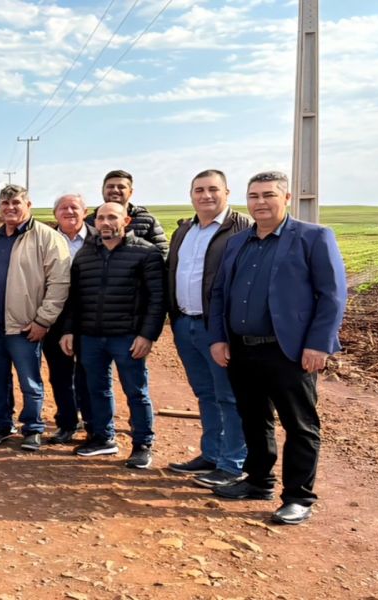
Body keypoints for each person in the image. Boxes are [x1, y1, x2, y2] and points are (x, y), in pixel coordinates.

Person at [208, 171, 347, 526]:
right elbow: (221, 292)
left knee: (299, 425)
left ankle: (299, 497)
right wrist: (219, 337)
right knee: (254, 419)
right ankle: (258, 481)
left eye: (268, 195)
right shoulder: (238, 242)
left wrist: (319, 344)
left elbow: (332, 295)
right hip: (243, 349)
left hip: (290, 351)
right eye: (253, 196)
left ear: (286, 199)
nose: (260, 202)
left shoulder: (313, 237)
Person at [60, 202, 165, 469]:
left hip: (127, 337)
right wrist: (69, 330)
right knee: (97, 389)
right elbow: (75, 298)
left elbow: (157, 299)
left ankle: (142, 444)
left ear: (126, 220)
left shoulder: (146, 253)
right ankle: (104, 438)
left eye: (112, 217)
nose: (106, 222)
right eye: (101, 218)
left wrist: (147, 335)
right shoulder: (85, 255)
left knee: (136, 391)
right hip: (91, 337)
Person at [166, 170, 252, 488]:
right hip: (186, 323)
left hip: (218, 329)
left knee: (229, 396)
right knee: (205, 394)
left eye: (213, 189)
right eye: (199, 190)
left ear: (227, 193)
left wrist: (229, 330)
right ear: (191, 195)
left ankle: (233, 464)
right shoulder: (185, 230)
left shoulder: (241, 228)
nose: (206, 196)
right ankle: (212, 455)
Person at [0, 184, 70, 451]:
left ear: (28, 205)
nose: (10, 208)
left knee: (29, 380)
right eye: (5, 204)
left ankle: (33, 428)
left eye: (16, 203)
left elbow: (59, 282)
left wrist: (43, 321)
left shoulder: (47, 237)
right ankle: (1, 425)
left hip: (25, 325)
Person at [43, 193, 94, 443]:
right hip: (55, 316)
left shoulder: (99, 238)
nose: (69, 212)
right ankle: (67, 423)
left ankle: (94, 424)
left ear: (85, 212)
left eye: (75, 207)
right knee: (60, 374)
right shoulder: (44, 239)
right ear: (56, 214)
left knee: (89, 373)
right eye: (63, 208)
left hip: (91, 318)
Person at [85, 170, 169, 256]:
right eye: (110, 186)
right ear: (102, 191)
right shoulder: (89, 221)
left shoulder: (147, 220)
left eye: (121, 187)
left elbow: (161, 253)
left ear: (130, 192)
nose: (115, 190)